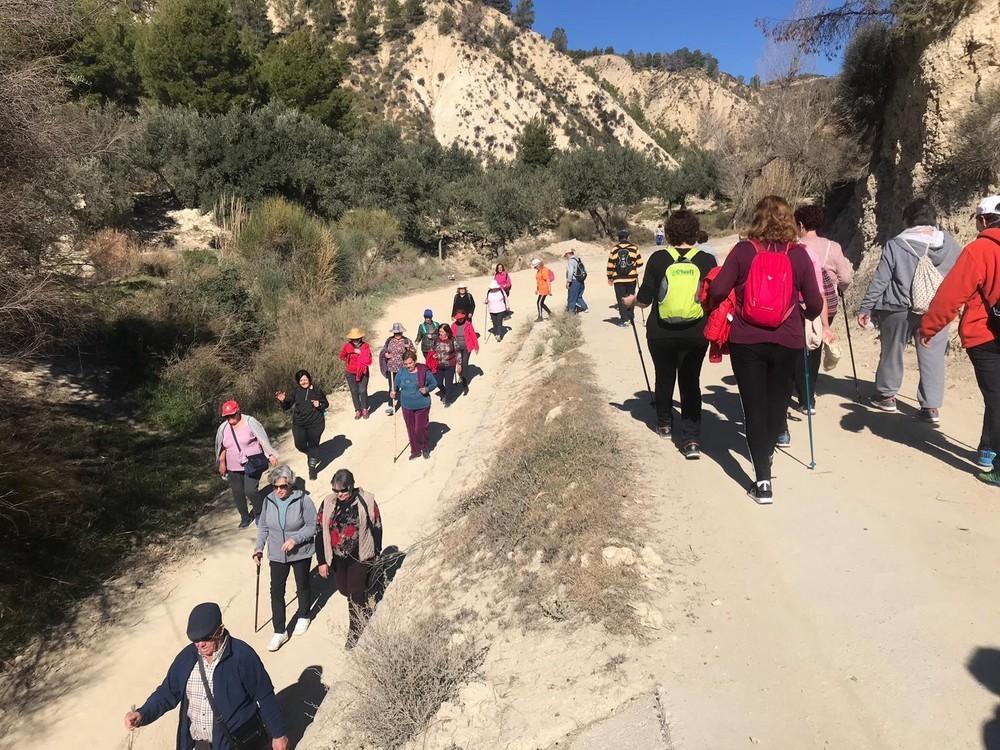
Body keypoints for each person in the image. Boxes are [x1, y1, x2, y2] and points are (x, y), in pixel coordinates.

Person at [709, 195, 823, 504]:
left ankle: (762, 480)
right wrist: (803, 316)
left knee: (754, 408)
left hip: (747, 340)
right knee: (776, 405)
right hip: (787, 340)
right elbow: (815, 303)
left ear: (757, 218)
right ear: (789, 220)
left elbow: (718, 289)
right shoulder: (798, 255)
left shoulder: (744, 251)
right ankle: (767, 454)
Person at [124, 602, 289, 750]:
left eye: (206, 638)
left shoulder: (242, 656)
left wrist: (278, 734)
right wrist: (142, 714)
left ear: (220, 629)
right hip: (200, 745)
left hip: (237, 742)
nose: (200, 644)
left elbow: (264, 694)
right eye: (195, 640)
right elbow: (167, 692)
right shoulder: (187, 658)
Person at [858, 198, 961, 423]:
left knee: (892, 351)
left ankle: (886, 395)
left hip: (897, 308)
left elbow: (881, 279)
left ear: (907, 219)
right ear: (933, 219)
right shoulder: (951, 245)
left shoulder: (897, 244)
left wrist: (866, 307)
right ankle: (930, 407)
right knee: (933, 356)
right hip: (936, 310)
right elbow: (959, 279)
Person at [920, 195, 1000, 485]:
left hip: (985, 333)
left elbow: (951, 295)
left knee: (995, 396)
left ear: (982, 220)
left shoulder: (979, 250)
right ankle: (988, 449)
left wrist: (930, 327)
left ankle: (995, 461)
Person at [623, 210, 716, 457]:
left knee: (664, 378)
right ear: (695, 232)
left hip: (660, 333)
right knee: (690, 383)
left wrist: (630, 302)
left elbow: (644, 300)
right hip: (696, 332)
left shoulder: (658, 259)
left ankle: (664, 423)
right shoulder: (706, 261)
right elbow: (713, 298)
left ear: (669, 232)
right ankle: (691, 440)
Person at [790, 204, 849, 418]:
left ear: (801, 225)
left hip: (799, 303)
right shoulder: (833, 246)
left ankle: (802, 392)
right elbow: (846, 278)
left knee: (799, 347)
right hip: (827, 304)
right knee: (814, 344)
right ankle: (809, 392)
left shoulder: (794, 247)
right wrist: (837, 287)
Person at [253, 465, 317, 652]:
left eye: (283, 486)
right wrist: (258, 549)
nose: (279, 490)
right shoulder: (268, 501)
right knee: (276, 591)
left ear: (290, 485)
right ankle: (280, 631)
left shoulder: (303, 499)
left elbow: (313, 525)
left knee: (302, 584)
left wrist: (294, 539)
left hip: (300, 552)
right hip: (277, 554)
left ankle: (304, 615)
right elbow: (263, 527)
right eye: (275, 486)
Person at [316, 469, 382, 650]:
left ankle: (355, 630)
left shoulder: (365, 500)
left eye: (343, 490)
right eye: (336, 491)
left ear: (352, 486)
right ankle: (364, 601)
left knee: (353, 592)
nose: (340, 494)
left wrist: (377, 550)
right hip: (337, 558)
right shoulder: (328, 503)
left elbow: (376, 525)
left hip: (360, 554)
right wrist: (322, 561)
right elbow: (319, 532)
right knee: (344, 590)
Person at [215, 401, 279, 528]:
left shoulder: (250, 422)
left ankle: (260, 513)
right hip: (233, 466)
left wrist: (270, 454)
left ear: (238, 411)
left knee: (250, 490)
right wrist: (222, 463)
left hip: (252, 463)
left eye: (232, 415)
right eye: (227, 416)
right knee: (237, 492)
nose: (230, 419)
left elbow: (262, 439)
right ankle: (244, 516)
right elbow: (221, 447)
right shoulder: (223, 428)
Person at [275, 370, 328, 481]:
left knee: (313, 445)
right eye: (301, 380)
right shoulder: (296, 392)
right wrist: (283, 401)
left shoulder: (317, 391)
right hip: (299, 424)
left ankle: (312, 469)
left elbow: (325, 404)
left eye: (305, 379)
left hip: (316, 423)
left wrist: (319, 404)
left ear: (309, 378)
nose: (304, 382)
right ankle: (312, 454)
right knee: (299, 445)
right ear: (298, 382)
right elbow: (287, 407)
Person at [391, 350, 438, 460]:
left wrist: (426, 389)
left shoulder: (423, 371)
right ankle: (415, 451)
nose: (408, 366)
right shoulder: (401, 372)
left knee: (420, 429)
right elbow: (395, 386)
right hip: (406, 405)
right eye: (406, 364)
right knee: (411, 429)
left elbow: (434, 383)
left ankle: (425, 447)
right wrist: (393, 392)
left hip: (422, 404)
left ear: (415, 361)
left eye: (410, 363)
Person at [606, 228, 643, 327]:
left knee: (621, 299)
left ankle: (625, 320)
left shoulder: (614, 249)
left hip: (618, 279)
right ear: (628, 237)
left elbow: (610, 265)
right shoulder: (634, 248)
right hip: (631, 279)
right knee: (630, 297)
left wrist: (609, 277)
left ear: (619, 238)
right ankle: (631, 317)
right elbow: (640, 263)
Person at [378, 323, 413, 416]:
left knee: (406, 385)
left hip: (404, 368)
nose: (397, 335)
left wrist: (408, 348)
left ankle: (407, 404)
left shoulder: (407, 341)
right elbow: (384, 350)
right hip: (392, 368)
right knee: (392, 387)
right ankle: (390, 406)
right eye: (395, 333)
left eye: (399, 333)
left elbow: (413, 353)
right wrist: (386, 354)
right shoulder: (389, 340)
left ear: (402, 332)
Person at [339, 327, 372, 420]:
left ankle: (364, 408)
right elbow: (341, 356)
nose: (355, 341)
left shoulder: (365, 346)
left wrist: (361, 353)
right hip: (350, 372)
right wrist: (351, 355)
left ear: (360, 338)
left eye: (357, 339)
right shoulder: (347, 346)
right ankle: (357, 410)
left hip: (363, 372)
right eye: (353, 339)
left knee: (362, 390)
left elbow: (368, 358)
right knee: (354, 391)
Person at [426, 324, 460, 407]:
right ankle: (444, 392)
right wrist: (433, 355)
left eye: (442, 331)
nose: (440, 333)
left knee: (449, 384)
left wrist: (459, 364)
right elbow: (432, 349)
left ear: (447, 332)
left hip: (450, 365)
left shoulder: (453, 340)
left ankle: (448, 400)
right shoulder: (437, 340)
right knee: (438, 382)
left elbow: (458, 352)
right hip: (439, 365)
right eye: (439, 331)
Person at [451, 310, 479, 394]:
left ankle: (464, 382)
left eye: (461, 318)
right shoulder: (454, 325)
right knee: (459, 364)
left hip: (467, 347)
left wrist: (476, 346)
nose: (460, 320)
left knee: (464, 364)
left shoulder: (468, 324)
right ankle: (462, 377)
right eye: (458, 318)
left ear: (464, 317)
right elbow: (451, 336)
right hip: (457, 348)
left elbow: (473, 335)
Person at [565, 248, 589, 314]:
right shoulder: (578, 259)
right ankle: (585, 308)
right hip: (581, 280)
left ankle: (571, 313)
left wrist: (568, 282)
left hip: (574, 281)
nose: (566, 257)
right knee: (579, 296)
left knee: (572, 297)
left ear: (568, 254)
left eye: (566, 255)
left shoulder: (571, 261)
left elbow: (570, 272)